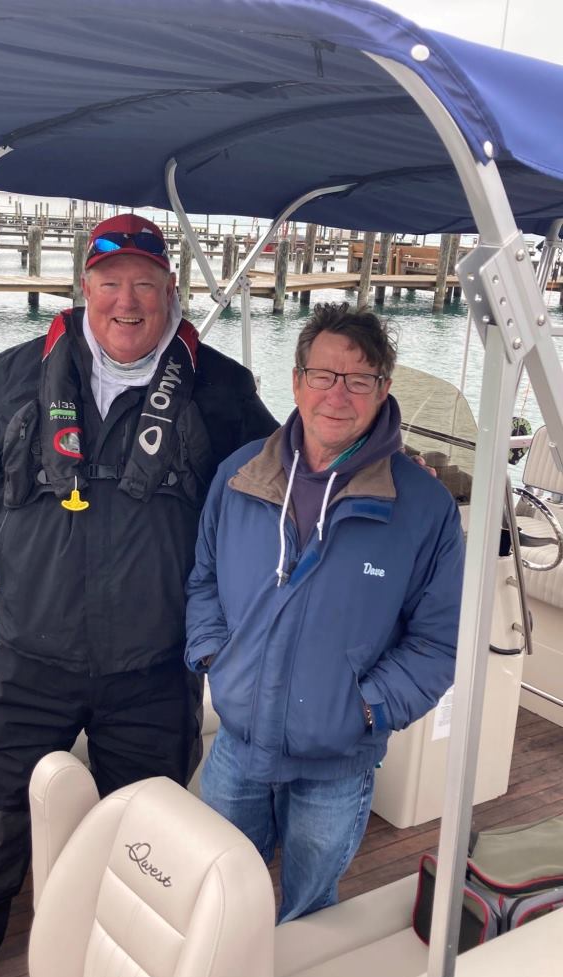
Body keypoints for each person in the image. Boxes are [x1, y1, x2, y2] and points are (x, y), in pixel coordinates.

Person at [0, 213, 277, 977]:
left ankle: (125, 951)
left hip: (154, 665)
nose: (127, 303)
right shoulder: (17, 372)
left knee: (147, 829)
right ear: (84, 288)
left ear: (171, 294)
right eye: (111, 284)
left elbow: (269, 497)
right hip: (28, 653)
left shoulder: (220, 388)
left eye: (145, 286)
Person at [185, 301, 465, 923]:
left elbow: (440, 641)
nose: (338, 394)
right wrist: (214, 658)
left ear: (383, 389)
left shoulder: (423, 507)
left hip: (338, 762)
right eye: (323, 375)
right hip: (238, 744)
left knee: (309, 912)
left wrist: (368, 708)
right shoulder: (239, 477)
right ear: (296, 381)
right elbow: (202, 578)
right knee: (222, 902)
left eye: (359, 378)